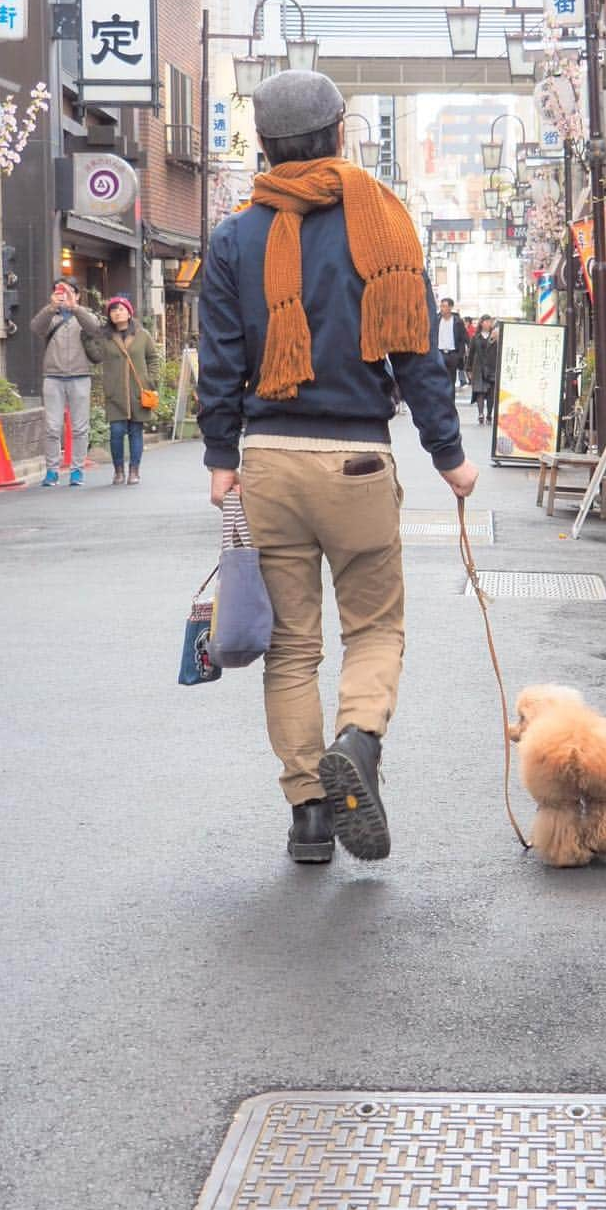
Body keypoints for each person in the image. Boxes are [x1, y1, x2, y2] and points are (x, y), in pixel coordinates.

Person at [197, 68, 478, 867]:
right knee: (375, 625)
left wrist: (221, 456)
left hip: (273, 460)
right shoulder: (382, 222)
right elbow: (416, 349)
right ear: (339, 133)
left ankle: (310, 818)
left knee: (291, 648)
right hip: (358, 457)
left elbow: (218, 358)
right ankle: (357, 739)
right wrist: (449, 455)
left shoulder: (233, 236)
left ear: (262, 145)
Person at [30, 278, 101, 487]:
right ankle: (52, 470)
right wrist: (52, 307)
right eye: (59, 291)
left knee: (80, 427)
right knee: (52, 426)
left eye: (69, 291)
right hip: (52, 376)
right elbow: (36, 328)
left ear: (78, 294)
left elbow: (95, 328)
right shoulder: (51, 316)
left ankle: (77, 470)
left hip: (80, 375)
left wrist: (75, 307)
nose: (64, 295)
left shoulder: (83, 315)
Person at [85, 296, 161, 485]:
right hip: (115, 392)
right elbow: (96, 356)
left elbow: (153, 358)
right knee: (116, 432)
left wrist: (151, 380)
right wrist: (86, 340)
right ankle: (118, 470)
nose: (117, 313)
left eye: (121, 309)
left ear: (129, 312)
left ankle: (134, 470)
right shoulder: (105, 337)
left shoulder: (142, 335)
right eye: (113, 310)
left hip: (138, 391)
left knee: (136, 431)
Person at [466, 314, 498, 425]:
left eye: (490, 322)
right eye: (486, 321)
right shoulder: (475, 337)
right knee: (479, 391)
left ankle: (489, 413)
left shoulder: (496, 336)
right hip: (478, 368)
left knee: (490, 393)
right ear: (481, 323)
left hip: (492, 367)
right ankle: (480, 413)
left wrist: (495, 339)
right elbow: (470, 354)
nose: (488, 324)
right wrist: (468, 369)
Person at [432, 296, 467, 391]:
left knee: (451, 381)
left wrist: (459, 355)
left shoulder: (457, 321)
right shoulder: (437, 320)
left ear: (450, 307)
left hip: (453, 354)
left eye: (444, 306)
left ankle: (451, 403)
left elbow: (464, 338)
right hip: (439, 354)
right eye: (441, 306)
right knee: (439, 380)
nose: (442, 308)